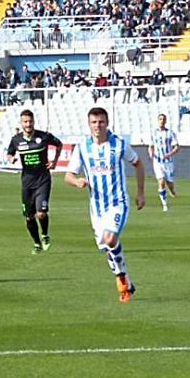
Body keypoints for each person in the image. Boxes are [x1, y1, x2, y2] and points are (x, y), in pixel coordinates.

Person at [64, 107, 145, 303]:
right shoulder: (82, 147)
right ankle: (127, 281)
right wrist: (77, 182)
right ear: (89, 124)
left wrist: (140, 193)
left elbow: (138, 164)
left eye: (101, 122)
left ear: (107, 123)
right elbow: (68, 176)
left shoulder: (119, 145)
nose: (97, 126)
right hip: (97, 208)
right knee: (107, 248)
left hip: (118, 203)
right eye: (94, 122)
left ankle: (121, 279)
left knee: (110, 239)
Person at [5, 109, 63, 254]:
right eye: (25, 121)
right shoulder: (16, 139)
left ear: (34, 122)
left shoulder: (43, 136)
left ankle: (45, 235)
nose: (28, 124)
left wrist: (55, 161)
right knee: (29, 217)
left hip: (43, 180)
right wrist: (11, 158)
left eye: (30, 121)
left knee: (41, 213)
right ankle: (36, 243)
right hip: (27, 183)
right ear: (21, 123)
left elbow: (59, 144)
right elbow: (10, 152)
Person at [148, 113, 179, 212]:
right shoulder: (153, 132)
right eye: (160, 119)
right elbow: (151, 146)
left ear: (165, 121)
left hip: (168, 162)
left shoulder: (170, 133)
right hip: (157, 161)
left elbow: (176, 147)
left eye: (163, 119)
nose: (162, 121)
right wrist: (151, 154)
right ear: (158, 121)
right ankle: (165, 204)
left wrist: (169, 154)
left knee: (169, 183)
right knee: (161, 181)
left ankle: (172, 190)